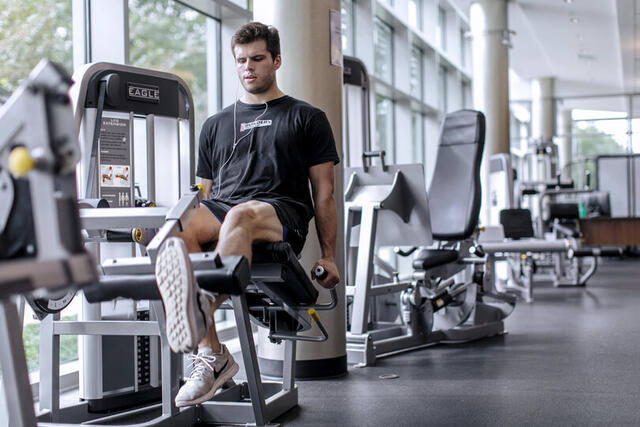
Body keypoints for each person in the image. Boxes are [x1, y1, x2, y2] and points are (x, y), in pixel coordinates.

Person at [154, 21, 341, 408]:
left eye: (257, 59)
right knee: (178, 226)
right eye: (241, 60)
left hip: (280, 213)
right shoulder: (214, 125)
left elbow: (324, 193)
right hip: (226, 209)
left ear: (276, 61)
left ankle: (198, 304)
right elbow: (203, 195)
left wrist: (329, 256)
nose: (248, 67)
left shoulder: (307, 118)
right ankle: (213, 356)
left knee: (240, 215)